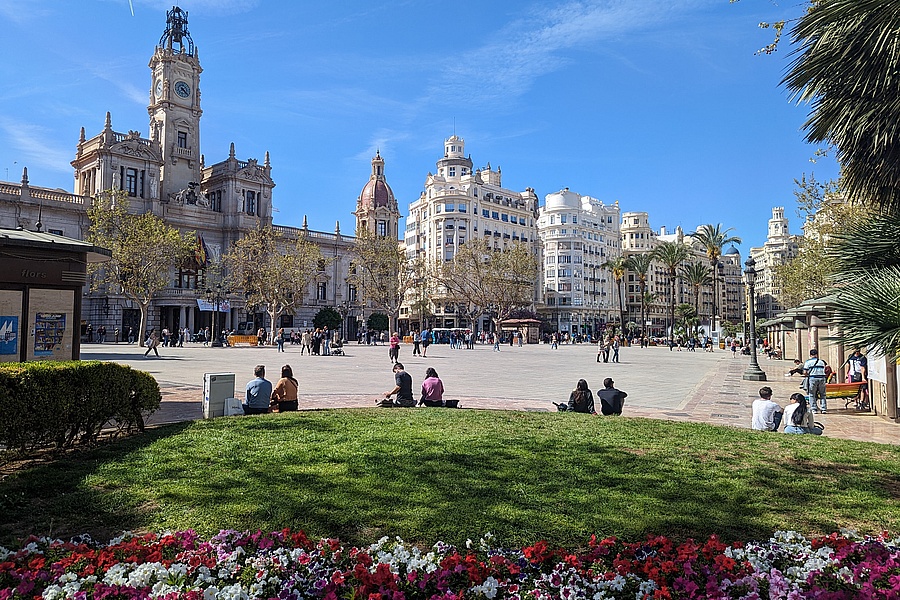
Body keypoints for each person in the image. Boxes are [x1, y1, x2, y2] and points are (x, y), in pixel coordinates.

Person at [803, 348, 829, 414]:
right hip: (822, 378)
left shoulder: (808, 362)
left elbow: (805, 372)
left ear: (810, 355)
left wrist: (807, 374)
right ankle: (824, 409)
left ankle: (814, 409)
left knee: (812, 394)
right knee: (822, 394)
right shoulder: (821, 362)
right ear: (817, 355)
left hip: (813, 378)